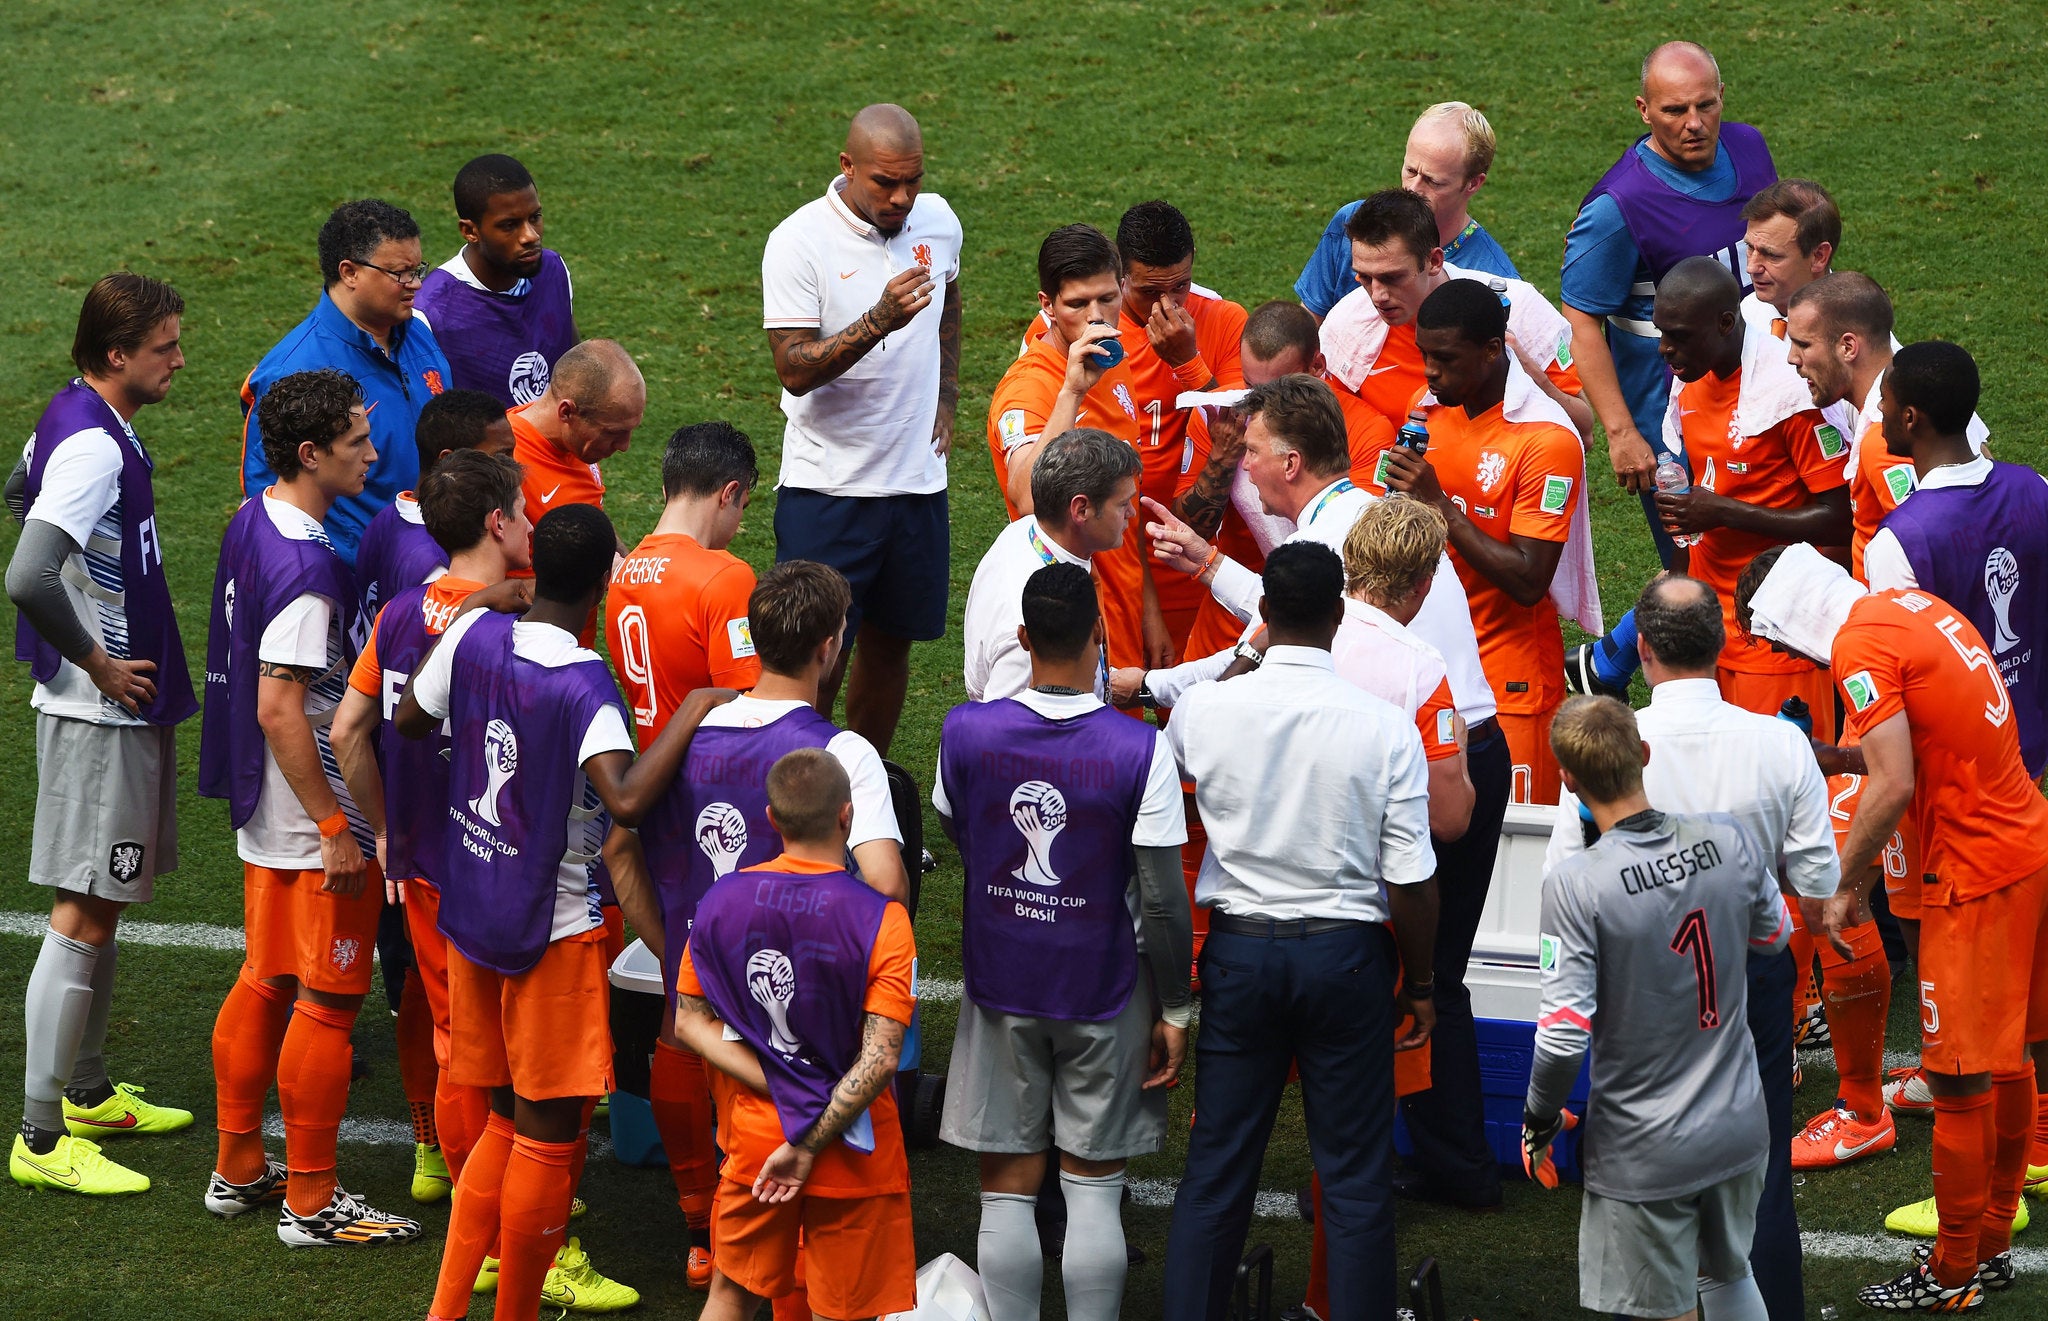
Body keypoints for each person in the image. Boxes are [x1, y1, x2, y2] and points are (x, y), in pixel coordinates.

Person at [397, 502, 729, 1321]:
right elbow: (622, 794)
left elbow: (408, 718)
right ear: (605, 584)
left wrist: (480, 607)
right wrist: (694, 709)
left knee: (504, 1122)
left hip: (472, 913)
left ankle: (445, 1312)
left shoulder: (476, 638)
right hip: (549, 932)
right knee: (547, 1135)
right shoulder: (587, 684)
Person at [1740, 542, 2048, 1312]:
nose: (1784, 653)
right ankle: (1991, 1244)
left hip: (1972, 874)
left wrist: (1845, 887)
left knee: (1956, 1074)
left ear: (1789, 613)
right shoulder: (1909, 607)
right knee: (2006, 1055)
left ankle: (1951, 1270)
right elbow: (1920, 744)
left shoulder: (1857, 643)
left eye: (1777, 638)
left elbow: (1897, 781)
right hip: (2025, 845)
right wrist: (1838, 754)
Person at [607, 559, 906, 1292]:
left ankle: (706, 1239)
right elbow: (887, 884)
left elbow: (619, 849)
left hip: (711, 1009)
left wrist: (672, 942)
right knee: (815, 1227)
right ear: (830, 647)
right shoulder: (842, 755)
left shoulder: (687, 737)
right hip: (810, 1025)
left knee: (740, 1206)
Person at [1546, 573, 1838, 1321]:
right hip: (1751, 974)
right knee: (1755, 1171)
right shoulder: (1779, 743)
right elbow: (1816, 881)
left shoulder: (1605, 748)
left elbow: (1562, 886)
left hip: (1638, 983)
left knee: (1648, 1182)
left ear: (1641, 648)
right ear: (1721, 643)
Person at [1161, 541, 1437, 1321]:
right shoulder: (1385, 727)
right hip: (1347, 959)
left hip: (1241, 953)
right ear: (1341, 614)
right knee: (1353, 1181)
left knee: (1215, 1173)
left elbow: (1167, 813)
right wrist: (1418, 986)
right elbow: (1412, 880)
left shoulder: (1206, 708)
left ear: (1264, 614)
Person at [197, 368, 421, 1245]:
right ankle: (313, 1203)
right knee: (325, 1000)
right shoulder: (309, 571)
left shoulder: (253, 521)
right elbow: (281, 705)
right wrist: (338, 824)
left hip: (265, 799)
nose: (374, 451)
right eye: (358, 440)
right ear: (311, 453)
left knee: (264, 977)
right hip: (307, 808)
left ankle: (240, 1165)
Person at [934, 562, 1191, 1321]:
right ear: (1099, 635)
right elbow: (1165, 900)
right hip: (1105, 989)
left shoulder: (965, 730)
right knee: (1093, 1185)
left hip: (999, 977)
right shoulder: (1141, 750)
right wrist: (1174, 1005)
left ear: (1022, 637)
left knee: (1007, 1184)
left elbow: (960, 827)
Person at [7, 274, 198, 1196]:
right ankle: (43, 1139)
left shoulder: (76, 416)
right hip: (97, 712)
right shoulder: (90, 444)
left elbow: (19, 485)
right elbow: (28, 574)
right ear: (117, 354)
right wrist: (97, 659)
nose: (179, 359)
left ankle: (84, 1090)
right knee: (82, 911)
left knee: (104, 901)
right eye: (165, 346)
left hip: (114, 707)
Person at [331, 453, 543, 1260]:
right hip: (495, 873)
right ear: (496, 524)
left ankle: (478, 1221)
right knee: (509, 1059)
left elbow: (349, 730)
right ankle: (501, 1233)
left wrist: (386, 827)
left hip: (420, 866)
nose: (530, 524)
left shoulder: (399, 614)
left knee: (460, 1043)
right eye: (522, 511)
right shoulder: (507, 634)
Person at [1526, 695, 1790, 1321]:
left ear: (1567, 779)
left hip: (1646, 1149)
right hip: (1736, 1123)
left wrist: (1537, 1119)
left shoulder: (1575, 883)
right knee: (1728, 1275)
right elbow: (1774, 936)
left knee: (1662, 1308)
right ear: (1644, 755)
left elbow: (1563, 1036)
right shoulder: (1728, 839)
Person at [673, 748, 919, 1321]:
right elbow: (880, 1059)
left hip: (755, 1141)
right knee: (845, 1311)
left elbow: (688, 1021)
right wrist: (808, 1139)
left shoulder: (719, 900)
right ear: (847, 817)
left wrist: (777, 1081)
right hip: (853, 1148)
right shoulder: (884, 919)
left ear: (771, 820)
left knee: (731, 1295)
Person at [763, 102, 962, 757]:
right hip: (830, 489)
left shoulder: (939, 221)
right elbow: (793, 368)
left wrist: (949, 395)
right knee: (816, 652)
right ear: (848, 167)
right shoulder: (799, 241)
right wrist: (878, 320)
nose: (902, 197)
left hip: (914, 485)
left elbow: (950, 296)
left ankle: (863, 787)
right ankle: (804, 792)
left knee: (891, 644)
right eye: (885, 182)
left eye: (913, 180)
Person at [1561, 41, 1777, 565]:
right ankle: (1620, 652)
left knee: (1776, 547)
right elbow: (1580, 320)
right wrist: (1621, 432)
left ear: (1723, 96)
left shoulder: (1750, 149)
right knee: (1700, 568)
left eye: (1706, 105)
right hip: (1672, 421)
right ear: (1644, 110)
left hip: (1762, 389)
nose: (1695, 123)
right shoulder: (1618, 207)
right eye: (1675, 110)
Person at [1385, 278, 1592, 806]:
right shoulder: (1425, 408)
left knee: (1510, 855)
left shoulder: (1546, 441)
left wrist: (1441, 505)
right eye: (1424, 355)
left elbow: (1528, 579)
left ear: (1493, 350)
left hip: (1509, 681)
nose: (1430, 372)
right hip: (1429, 669)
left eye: (1446, 358)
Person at [241, 199, 453, 564]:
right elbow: (272, 505)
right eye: (400, 273)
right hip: (358, 583)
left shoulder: (419, 332)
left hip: (435, 567)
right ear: (350, 272)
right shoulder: (292, 373)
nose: (416, 284)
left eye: (418, 269)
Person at [987, 225, 1155, 674]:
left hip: (1121, 612)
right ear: (1049, 306)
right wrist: (1071, 393)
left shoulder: (1113, 360)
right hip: (1069, 628)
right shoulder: (1029, 389)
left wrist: (1148, 611)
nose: (1096, 316)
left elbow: (1127, 498)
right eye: (1077, 304)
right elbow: (1026, 497)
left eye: (1107, 298)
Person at [1319, 189, 1591, 440]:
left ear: (1434, 261)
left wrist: (1530, 372)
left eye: (1392, 278)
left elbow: (1584, 432)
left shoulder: (1517, 309)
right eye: (1365, 278)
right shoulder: (1347, 323)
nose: (1378, 295)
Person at [1105, 200, 1246, 651]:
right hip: (1108, 555)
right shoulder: (1084, 329)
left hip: (1193, 555)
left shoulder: (1224, 321)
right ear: (1120, 274)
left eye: (1181, 285)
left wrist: (1188, 362)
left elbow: (1243, 429)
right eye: (1149, 290)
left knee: (1189, 706)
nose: (1168, 304)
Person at [606, 420, 764, 745]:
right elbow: (747, 707)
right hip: (712, 779)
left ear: (667, 491)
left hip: (651, 771)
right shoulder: (725, 575)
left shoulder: (623, 577)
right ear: (729, 493)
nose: (737, 525)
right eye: (742, 508)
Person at [964, 428, 1142, 703]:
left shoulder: (1025, 531)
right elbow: (1012, 729)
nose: (1131, 512)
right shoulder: (1033, 626)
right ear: (1081, 510)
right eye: (1122, 504)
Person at [1294, 102, 1519, 320]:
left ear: (1473, 183)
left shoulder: (1495, 280)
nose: (1412, 188)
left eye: (1433, 181)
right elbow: (1310, 327)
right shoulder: (1354, 224)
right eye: (1411, 171)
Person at [1336, 499, 1475, 841]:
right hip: (1355, 877)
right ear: (1423, 584)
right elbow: (1451, 819)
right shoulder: (1421, 670)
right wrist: (1461, 748)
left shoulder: (1287, 624)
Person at [414, 154, 579, 407]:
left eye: (535, 217)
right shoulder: (431, 313)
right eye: (510, 225)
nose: (530, 236)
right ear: (470, 231)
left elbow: (572, 365)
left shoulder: (553, 271)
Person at [354, 388, 515, 623]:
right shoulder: (439, 568)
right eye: (502, 456)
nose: (513, 466)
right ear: (447, 460)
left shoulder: (388, 517)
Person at [507, 337, 646, 538]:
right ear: (566, 412)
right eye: (613, 432)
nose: (625, 446)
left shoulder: (575, 443)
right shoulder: (505, 462)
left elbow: (595, 525)